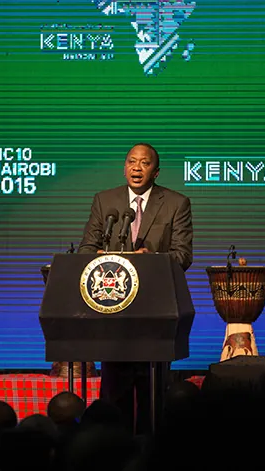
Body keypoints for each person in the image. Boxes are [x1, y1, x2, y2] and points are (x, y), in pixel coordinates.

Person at [78, 143, 193, 434]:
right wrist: (99, 258)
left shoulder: (176, 203)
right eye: (131, 161)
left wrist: (151, 261)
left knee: (151, 396)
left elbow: (183, 256)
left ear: (156, 171)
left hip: (154, 312)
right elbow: (86, 249)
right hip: (112, 311)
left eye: (144, 163)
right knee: (113, 392)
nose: (136, 168)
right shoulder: (106, 201)